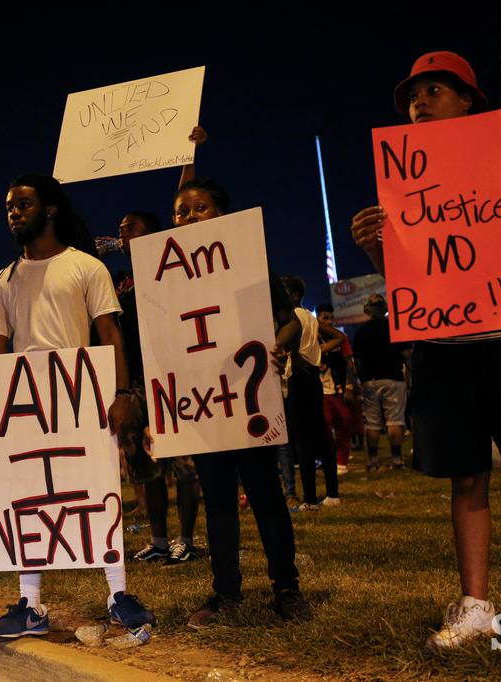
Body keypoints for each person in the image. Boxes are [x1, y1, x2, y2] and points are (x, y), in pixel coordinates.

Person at [351, 51, 501, 652]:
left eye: (436, 90)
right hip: (443, 346)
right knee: (467, 478)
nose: (420, 102)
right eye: (414, 95)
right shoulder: (401, 181)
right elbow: (412, 277)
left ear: (469, 101)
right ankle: (476, 605)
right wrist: (373, 250)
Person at [0, 174, 154, 638]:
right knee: (26, 500)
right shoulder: (2, 281)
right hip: (25, 407)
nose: (13, 213)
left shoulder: (86, 267)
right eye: (9, 207)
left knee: (95, 489)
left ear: (50, 210)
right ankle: (29, 606)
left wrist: (124, 394)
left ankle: (118, 594)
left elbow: (110, 334)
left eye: (23, 205)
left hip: (80, 399)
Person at [152, 177, 311, 628]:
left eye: (200, 208)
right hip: (204, 404)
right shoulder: (164, 281)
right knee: (218, 499)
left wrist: (278, 346)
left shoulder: (247, 263)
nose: (188, 218)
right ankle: (226, 593)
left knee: (265, 495)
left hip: (246, 398)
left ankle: (287, 588)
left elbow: (291, 323)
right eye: (181, 211)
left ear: (221, 215)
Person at [113, 210, 203, 566]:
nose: (122, 233)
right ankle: (159, 540)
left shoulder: (172, 270)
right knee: (146, 467)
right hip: (136, 383)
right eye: (120, 228)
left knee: (184, 465)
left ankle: (186, 538)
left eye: (131, 227)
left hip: (172, 376)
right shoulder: (120, 280)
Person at [281, 276, 340, 508]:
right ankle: (333, 493)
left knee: (302, 440)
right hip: (313, 378)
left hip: (299, 378)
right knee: (321, 435)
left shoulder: (292, 318)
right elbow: (339, 337)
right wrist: (317, 353)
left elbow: (293, 350)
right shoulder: (311, 317)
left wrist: (299, 358)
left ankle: (309, 498)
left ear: (294, 294)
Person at [351, 294, 408, 471]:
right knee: (395, 420)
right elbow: (406, 355)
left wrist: (359, 379)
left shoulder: (362, 331)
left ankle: (373, 461)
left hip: (370, 379)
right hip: (393, 376)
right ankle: (397, 459)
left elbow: (357, 360)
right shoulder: (394, 328)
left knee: (372, 422)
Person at [315, 304, 357, 475]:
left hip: (337, 390)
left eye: (331, 318)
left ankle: (342, 462)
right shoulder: (310, 339)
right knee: (322, 428)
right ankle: (326, 459)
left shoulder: (341, 337)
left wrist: (349, 387)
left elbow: (350, 364)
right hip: (319, 391)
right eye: (325, 318)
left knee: (343, 425)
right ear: (317, 318)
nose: (329, 321)